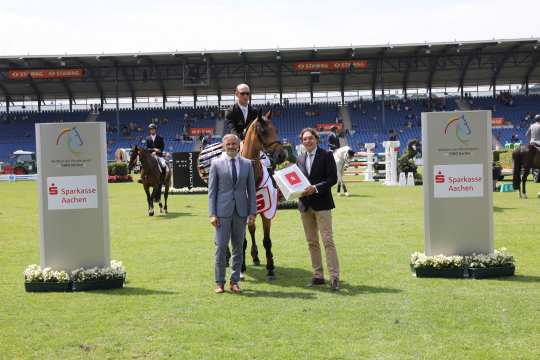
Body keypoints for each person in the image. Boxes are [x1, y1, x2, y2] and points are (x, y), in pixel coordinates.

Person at [208, 134, 257, 294]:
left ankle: (234, 281)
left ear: (239, 146)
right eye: (228, 144)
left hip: (241, 212)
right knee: (221, 247)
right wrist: (212, 214)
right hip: (221, 213)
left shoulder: (247, 164)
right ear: (224, 146)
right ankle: (219, 282)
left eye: (234, 144)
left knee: (238, 249)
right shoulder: (216, 164)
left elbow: (252, 190)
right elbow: (212, 192)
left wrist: (252, 212)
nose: (231, 146)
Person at [296, 128, 340, 291]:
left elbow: (332, 179)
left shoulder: (327, 155)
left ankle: (334, 277)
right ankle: (318, 276)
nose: (308, 141)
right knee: (312, 242)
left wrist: (315, 188)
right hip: (305, 206)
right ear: (302, 142)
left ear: (316, 139)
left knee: (328, 241)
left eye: (310, 138)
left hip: (322, 204)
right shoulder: (299, 158)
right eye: (305, 139)